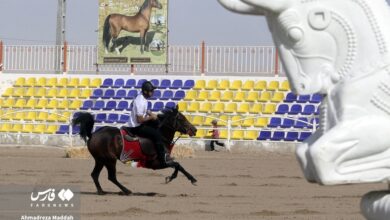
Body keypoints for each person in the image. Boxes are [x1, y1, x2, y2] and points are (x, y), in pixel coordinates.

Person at [125, 81, 174, 166]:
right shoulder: (140, 101)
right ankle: (162, 158)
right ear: (145, 91)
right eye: (151, 91)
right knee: (156, 135)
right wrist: (151, 117)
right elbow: (140, 120)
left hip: (139, 123)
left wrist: (150, 113)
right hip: (136, 127)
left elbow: (143, 110)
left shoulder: (142, 98)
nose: (153, 92)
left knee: (158, 124)